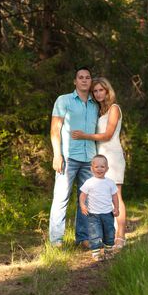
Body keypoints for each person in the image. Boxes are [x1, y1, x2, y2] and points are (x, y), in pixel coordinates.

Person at [72, 77, 126, 249]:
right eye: (95, 91)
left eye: (101, 90)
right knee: (103, 198)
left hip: (113, 157)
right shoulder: (100, 112)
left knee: (115, 196)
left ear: (108, 90)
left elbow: (108, 135)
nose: (98, 93)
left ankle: (121, 237)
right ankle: (107, 236)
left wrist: (84, 136)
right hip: (99, 157)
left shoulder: (114, 109)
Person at [49, 67, 98, 247]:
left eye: (87, 78)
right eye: (80, 77)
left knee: (86, 199)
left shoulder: (96, 104)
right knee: (61, 197)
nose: (84, 80)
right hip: (68, 157)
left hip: (89, 159)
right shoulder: (64, 100)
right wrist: (57, 154)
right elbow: (55, 129)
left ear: (91, 81)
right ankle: (56, 240)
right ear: (75, 81)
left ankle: (83, 238)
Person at [79, 154, 119, 261]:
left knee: (109, 232)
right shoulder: (89, 182)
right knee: (94, 233)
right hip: (93, 214)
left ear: (107, 169)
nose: (99, 169)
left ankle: (108, 251)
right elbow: (82, 195)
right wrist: (82, 205)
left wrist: (116, 208)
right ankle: (96, 253)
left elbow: (115, 196)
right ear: (92, 169)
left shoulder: (110, 183)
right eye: (97, 167)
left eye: (102, 166)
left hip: (107, 213)